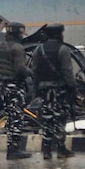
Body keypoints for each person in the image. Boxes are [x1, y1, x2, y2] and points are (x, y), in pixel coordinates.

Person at [33, 24, 76, 159]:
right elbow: (67, 71)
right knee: (60, 118)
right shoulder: (63, 50)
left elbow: (34, 71)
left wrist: (36, 90)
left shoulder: (38, 50)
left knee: (47, 118)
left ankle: (46, 150)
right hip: (59, 90)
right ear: (59, 34)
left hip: (44, 90)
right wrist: (72, 87)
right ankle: (61, 149)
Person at [0, 21, 32, 160]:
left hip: (1, 86)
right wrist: (34, 73)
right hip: (14, 85)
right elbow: (20, 69)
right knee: (17, 117)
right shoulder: (17, 48)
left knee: (10, 116)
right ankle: (14, 150)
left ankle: (12, 148)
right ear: (17, 33)